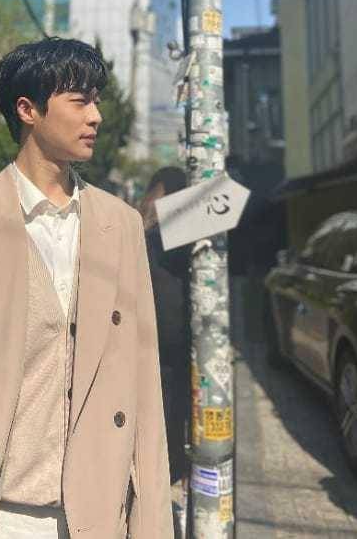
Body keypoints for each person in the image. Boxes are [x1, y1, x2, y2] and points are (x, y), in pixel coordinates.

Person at [0, 37, 174, 539]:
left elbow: (144, 389)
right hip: (1, 517)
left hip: (103, 515)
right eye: (80, 101)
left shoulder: (121, 225)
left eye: (96, 101)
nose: (96, 116)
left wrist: (152, 525)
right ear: (28, 110)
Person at [137, 167, 192, 485]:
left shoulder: (143, 230)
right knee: (176, 406)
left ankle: (165, 468)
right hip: (176, 338)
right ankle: (173, 468)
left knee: (161, 405)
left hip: (153, 337)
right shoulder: (180, 232)